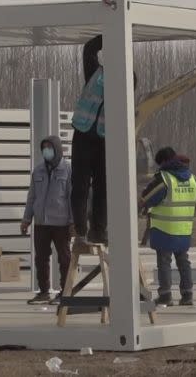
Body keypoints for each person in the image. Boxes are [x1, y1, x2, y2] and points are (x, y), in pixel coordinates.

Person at [70, 34, 136, 245]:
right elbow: (89, 48)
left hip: (105, 138)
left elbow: (130, 83)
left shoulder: (127, 78)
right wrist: (110, 34)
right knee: (80, 184)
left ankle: (99, 230)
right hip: (83, 133)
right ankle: (80, 229)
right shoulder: (94, 73)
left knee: (102, 186)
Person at [138, 147, 196, 307]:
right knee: (183, 261)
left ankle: (165, 295)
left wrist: (142, 204)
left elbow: (148, 197)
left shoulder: (164, 178)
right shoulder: (193, 179)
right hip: (184, 229)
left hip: (164, 229)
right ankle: (187, 295)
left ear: (164, 161)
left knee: (164, 262)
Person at [21, 135, 72, 304]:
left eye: (50, 147)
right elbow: (32, 197)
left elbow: (73, 198)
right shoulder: (38, 171)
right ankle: (44, 292)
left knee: (64, 258)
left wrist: (73, 222)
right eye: (44, 148)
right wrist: (26, 219)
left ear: (57, 149)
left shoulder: (68, 170)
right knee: (41, 258)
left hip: (61, 223)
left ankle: (65, 293)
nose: (46, 151)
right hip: (41, 223)